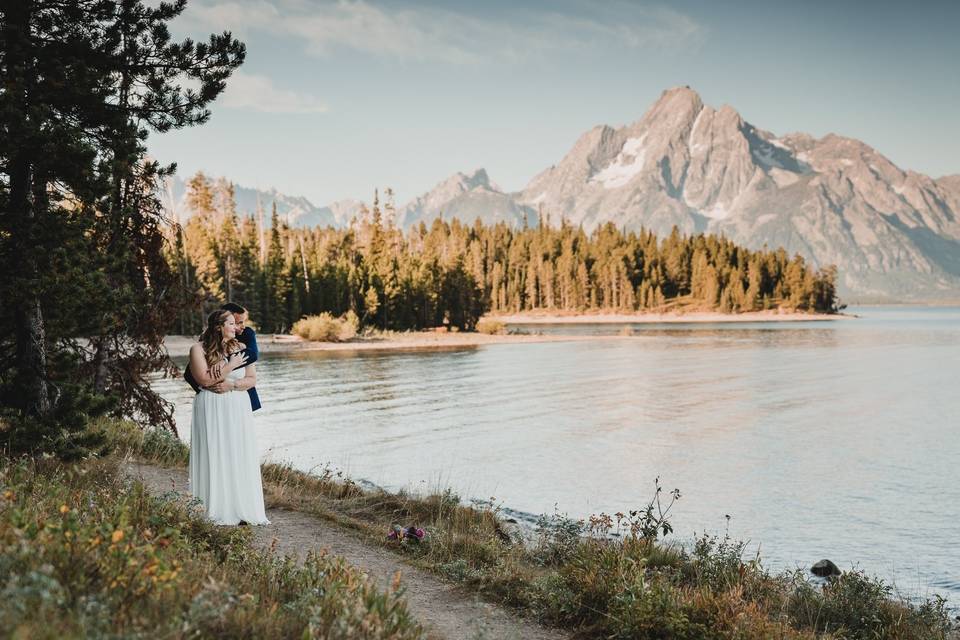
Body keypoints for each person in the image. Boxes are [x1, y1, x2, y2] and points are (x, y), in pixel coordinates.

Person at [187, 309, 270, 526]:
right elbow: (204, 380)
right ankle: (216, 509)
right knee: (215, 453)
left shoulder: (241, 348)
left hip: (237, 406)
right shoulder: (198, 349)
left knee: (238, 454)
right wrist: (230, 366)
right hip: (210, 406)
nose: (237, 328)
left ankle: (241, 508)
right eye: (232, 324)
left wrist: (232, 384)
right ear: (219, 327)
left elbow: (252, 379)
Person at [184, 302, 261, 411]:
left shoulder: (246, 334)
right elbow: (190, 373)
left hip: (240, 398)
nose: (241, 326)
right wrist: (205, 389)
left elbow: (252, 355)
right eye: (238, 322)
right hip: (211, 402)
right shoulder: (204, 343)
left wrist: (224, 361)